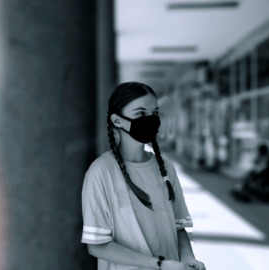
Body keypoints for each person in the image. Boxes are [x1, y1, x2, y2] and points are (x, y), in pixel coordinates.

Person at [81, 82, 205, 270]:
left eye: (154, 113)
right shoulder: (101, 172)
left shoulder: (166, 167)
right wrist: (160, 264)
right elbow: (98, 245)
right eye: (140, 113)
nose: (151, 119)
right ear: (117, 120)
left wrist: (187, 257)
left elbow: (178, 226)